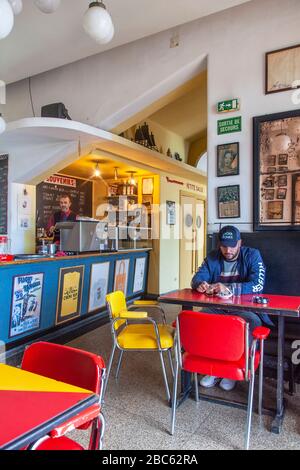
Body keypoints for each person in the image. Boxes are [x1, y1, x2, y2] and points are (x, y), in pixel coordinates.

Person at [191, 225, 271, 392]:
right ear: (219, 244)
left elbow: (258, 285)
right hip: (218, 307)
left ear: (240, 243)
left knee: (251, 322)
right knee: (200, 320)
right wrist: (200, 285)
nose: (228, 250)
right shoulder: (212, 257)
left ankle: (232, 370)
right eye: (224, 246)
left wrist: (229, 289)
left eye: (232, 245)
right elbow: (197, 278)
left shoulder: (252, 255)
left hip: (245, 308)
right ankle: (212, 369)